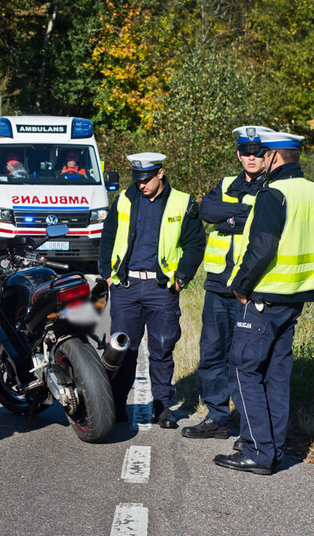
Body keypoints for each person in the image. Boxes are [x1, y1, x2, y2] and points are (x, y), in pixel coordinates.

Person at [214, 130, 314, 475]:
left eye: (264, 154)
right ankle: (274, 449)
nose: (259, 160)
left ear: (276, 158)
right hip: (297, 296)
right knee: (277, 375)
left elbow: (262, 248)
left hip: (264, 296)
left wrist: (240, 286)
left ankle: (257, 452)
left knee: (244, 370)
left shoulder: (273, 193)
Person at [98, 152, 205, 428]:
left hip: (162, 288)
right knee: (122, 350)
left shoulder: (182, 202)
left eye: (145, 179)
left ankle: (163, 407)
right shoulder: (124, 198)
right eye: (136, 178)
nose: (141, 184)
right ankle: (117, 405)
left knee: (161, 349)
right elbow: (107, 237)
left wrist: (181, 278)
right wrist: (108, 276)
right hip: (127, 286)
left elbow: (195, 244)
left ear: (160, 173)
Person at [182, 126, 269, 440]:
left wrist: (228, 217)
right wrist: (240, 212)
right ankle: (217, 417)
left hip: (249, 288)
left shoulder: (272, 186)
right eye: (245, 152)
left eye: (256, 152)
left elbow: (263, 221)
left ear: (267, 154)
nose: (250, 158)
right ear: (238, 154)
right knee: (211, 354)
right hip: (218, 286)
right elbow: (206, 210)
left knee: (245, 360)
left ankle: (249, 430)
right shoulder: (226, 183)